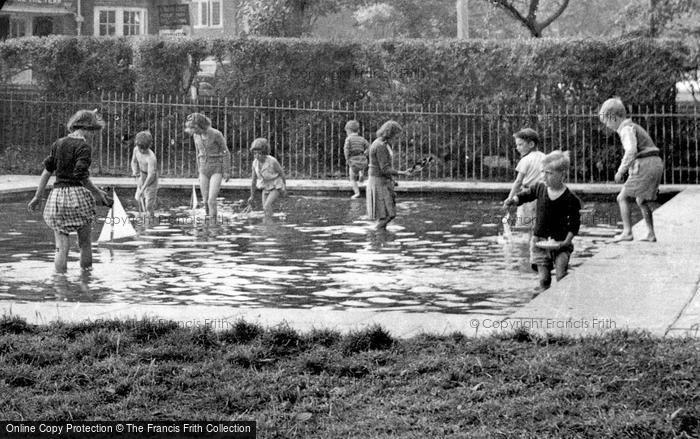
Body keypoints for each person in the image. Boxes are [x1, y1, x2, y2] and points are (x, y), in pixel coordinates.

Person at [27, 109, 109, 273]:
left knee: (61, 247)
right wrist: (97, 192)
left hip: (57, 199)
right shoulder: (84, 146)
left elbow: (46, 172)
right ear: (88, 128)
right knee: (85, 244)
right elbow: (81, 175)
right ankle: (86, 280)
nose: (93, 135)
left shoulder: (58, 143)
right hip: (77, 198)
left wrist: (38, 196)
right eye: (93, 131)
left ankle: (61, 284)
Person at [504, 150, 582, 290]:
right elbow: (526, 195)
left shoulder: (570, 198)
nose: (544, 177)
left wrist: (567, 241)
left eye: (549, 173)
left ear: (562, 174)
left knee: (561, 275)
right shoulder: (540, 188)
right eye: (543, 172)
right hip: (539, 241)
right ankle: (544, 297)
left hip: (561, 243)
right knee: (544, 279)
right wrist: (513, 200)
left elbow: (575, 224)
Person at [599, 97, 664, 242]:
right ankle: (651, 234)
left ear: (613, 117)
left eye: (607, 122)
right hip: (655, 163)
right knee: (641, 200)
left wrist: (621, 170)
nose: (607, 126)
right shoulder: (633, 126)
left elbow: (631, 151)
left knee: (622, 197)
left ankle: (627, 232)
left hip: (646, 164)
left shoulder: (626, 129)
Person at [185, 112, 231, 221]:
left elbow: (225, 152)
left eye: (194, 127)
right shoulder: (196, 136)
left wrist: (226, 171)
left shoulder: (216, 134)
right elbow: (198, 154)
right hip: (203, 170)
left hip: (216, 169)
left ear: (201, 125)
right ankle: (208, 221)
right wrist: (199, 172)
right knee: (205, 200)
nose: (192, 131)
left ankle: (213, 224)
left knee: (211, 200)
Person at [367, 120, 411, 229]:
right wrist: (402, 173)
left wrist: (392, 180)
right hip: (378, 182)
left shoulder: (381, 143)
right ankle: (375, 234)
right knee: (388, 215)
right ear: (390, 133)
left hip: (381, 181)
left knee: (386, 215)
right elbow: (384, 168)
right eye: (396, 135)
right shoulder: (381, 146)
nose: (397, 138)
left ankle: (381, 237)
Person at [503, 128, 545, 229]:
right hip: (542, 195)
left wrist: (510, 198)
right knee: (539, 225)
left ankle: (526, 243)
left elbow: (518, 182)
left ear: (531, 144)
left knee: (524, 225)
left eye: (520, 144)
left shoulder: (525, 160)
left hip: (527, 195)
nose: (517, 148)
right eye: (517, 145)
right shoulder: (545, 157)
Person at [247, 138, 287, 218]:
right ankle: (269, 225)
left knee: (266, 205)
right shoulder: (255, 163)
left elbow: (282, 173)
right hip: (265, 186)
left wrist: (284, 188)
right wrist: (252, 196)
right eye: (255, 153)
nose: (257, 156)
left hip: (276, 186)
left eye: (259, 153)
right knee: (265, 209)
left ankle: (270, 225)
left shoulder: (272, 161)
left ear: (265, 153)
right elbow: (253, 181)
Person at [130, 130, 158, 217]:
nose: (141, 150)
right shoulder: (136, 150)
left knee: (148, 205)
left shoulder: (151, 158)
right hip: (142, 175)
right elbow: (133, 162)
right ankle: (141, 218)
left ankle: (150, 220)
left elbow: (151, 175)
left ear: (149, 146)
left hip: (151, 180)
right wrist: (135, 171)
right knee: (138, 198)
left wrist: (143, 189)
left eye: (144, 148)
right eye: (140, 148)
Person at [343, 120, 370, 199]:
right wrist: (365, 153)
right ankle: (361, 174)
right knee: (361, 167)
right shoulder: (362, 139)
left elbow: (346, 149)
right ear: (358, 130)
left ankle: (357, 193)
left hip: (353, 160)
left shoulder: (348, 139)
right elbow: (369, 147)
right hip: (362, 159)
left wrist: (347, 158)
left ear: (348, 130)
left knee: (352, 178)